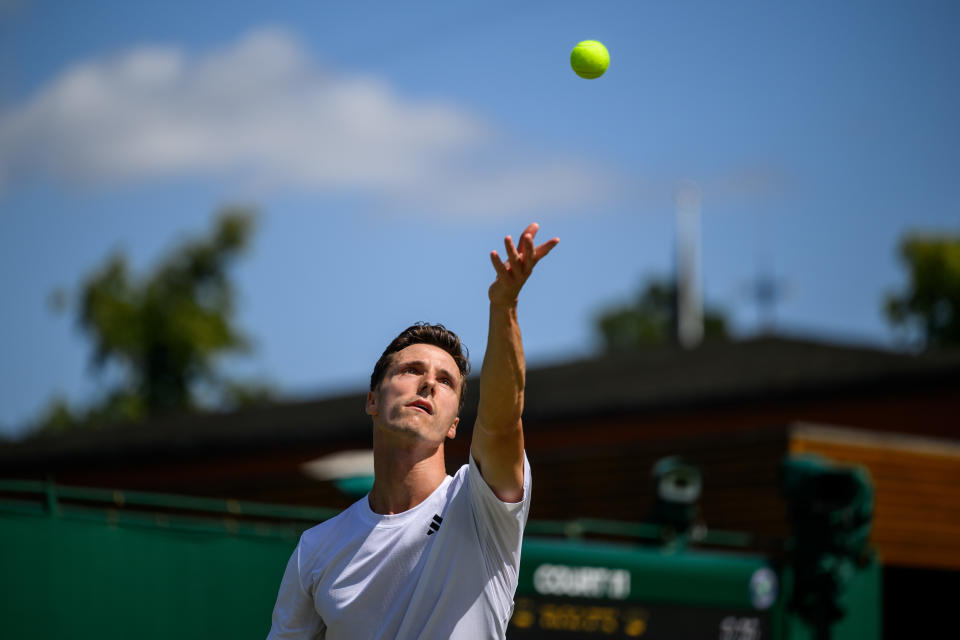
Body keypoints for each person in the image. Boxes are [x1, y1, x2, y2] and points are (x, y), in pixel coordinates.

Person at [266, 223, 559, 639]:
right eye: (411, 370)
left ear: (456, 424)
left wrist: (504, 306)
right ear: (372, 400)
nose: (428, 384)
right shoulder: (315, 551)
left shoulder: (481, 507)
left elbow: (501, 422)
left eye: (446, 381)